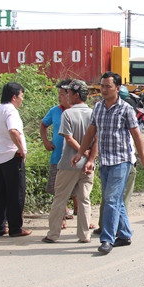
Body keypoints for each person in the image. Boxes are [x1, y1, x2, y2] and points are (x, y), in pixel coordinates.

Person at [74, 72, 144, 255]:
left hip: (121, 161)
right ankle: (125, 234)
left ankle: (107, 239)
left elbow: (136, 135)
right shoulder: (98, 108)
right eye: (102, 86)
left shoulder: (126, 109)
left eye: (108, 86)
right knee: (114, 199)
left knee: (111, 199)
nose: (104, 90)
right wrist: (81, 152)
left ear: (117, 88)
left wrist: (143, 159)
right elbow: (91, 132)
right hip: (105, 161)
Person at [42, 80, 97, 243]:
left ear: (76, 95)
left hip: (69, 163)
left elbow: (68, 137)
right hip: (88, 165)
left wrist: (81, 152)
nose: (67, 96)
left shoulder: (67, 114)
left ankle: (53, 234)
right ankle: (84, 235)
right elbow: (97, 139)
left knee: (60, 198)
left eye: (69, 93)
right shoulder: (93, 113)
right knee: (84, 199)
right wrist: (90, 158)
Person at [0, 82, 31, 237]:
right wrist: (21, 149)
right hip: (11, 156)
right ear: (14, 97)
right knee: (16, 193)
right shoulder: (11, 111)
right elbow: (13, 131)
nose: (22, 99)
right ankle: (15, 228)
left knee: (0, 194)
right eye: (21, 96)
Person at [40, 79, 78, 229]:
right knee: (58, 189)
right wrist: (46, 141)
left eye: (62, 94)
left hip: (76, 157)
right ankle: (62, 217)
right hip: (57, 157)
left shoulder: (79, 111)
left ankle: (81, 216)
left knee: (79, 190)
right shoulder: (55, 111)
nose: (59, 97)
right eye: (59, 94)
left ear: (70, 94)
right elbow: (43, 125)